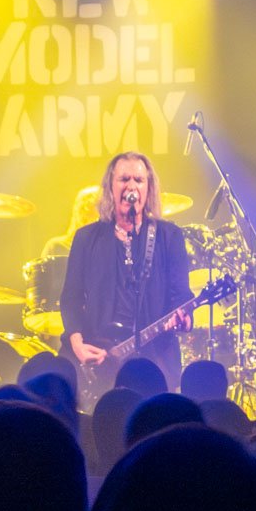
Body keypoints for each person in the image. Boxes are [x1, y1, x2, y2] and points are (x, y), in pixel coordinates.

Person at [60, 152, 192, 392]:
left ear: (148, 189)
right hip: (98, 355)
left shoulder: (169, 236)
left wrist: (184, 319)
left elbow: (182, 294)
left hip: (153, 360)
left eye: (139, 180)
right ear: (110, 186)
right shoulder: (87, 238)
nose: (131, 186)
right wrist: (77, 344)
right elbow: (70, 298)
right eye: (124, 179)